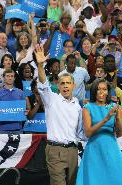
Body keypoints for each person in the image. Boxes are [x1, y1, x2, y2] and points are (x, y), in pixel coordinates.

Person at [35, 45, 82, 185]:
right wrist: (40, 65)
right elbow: (43, 84)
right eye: (63, 83)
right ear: (59, 86)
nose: (66, 86)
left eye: (68, 83)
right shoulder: (52, 99)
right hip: (56, 150)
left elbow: (81, 131)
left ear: (74, 85)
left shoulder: (78, 105)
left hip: (73, 151)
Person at [76, 78, 122, 185]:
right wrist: (106, 119)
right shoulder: (87, 108)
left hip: (111, 148)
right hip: (94, 149)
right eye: (98, 89)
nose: (101, 92)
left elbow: (119, 133)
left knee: (115, 179)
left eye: (104, 89)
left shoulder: (114, 107)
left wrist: (117, 119)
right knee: (96, 180)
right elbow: (88, 133)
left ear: (108, 91)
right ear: (94, 91)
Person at [0, 68, 26, 134]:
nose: (10, 78)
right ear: (3, 78)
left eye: (12, 76)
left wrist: (25, 112)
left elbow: (24, 109)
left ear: (14, 78)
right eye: (8, 76)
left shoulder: (20, 93)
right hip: (1, 129)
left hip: (17, 128)